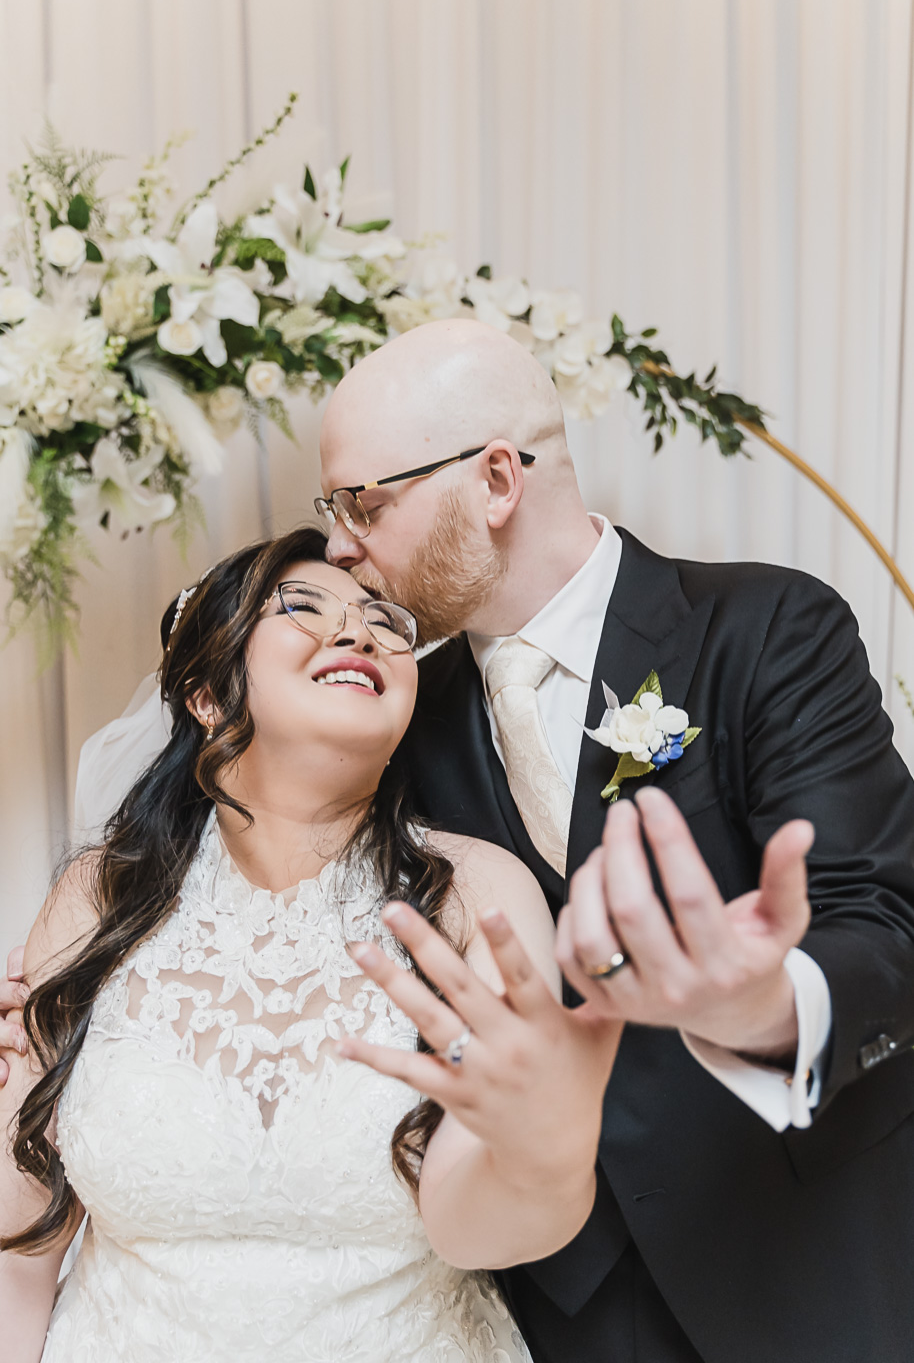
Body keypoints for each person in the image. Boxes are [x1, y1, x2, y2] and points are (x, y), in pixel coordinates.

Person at [4, 316, 914, 1360]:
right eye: (327, 516)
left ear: (494, 482)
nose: (342, 544)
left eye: (363, 504)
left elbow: (879, 926)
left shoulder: (764, 632)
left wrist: (754, 1005)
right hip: (550, 1296)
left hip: (782, 1256)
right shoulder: (388, 717)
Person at [0, 525, 624, 1363]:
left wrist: (548, 1145)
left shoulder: (476, 895)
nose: (358, 631)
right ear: (207, 695)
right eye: (301, 606)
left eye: (384, 621)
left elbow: (483, 1231)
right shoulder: (98, 898)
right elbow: (17, 1250)